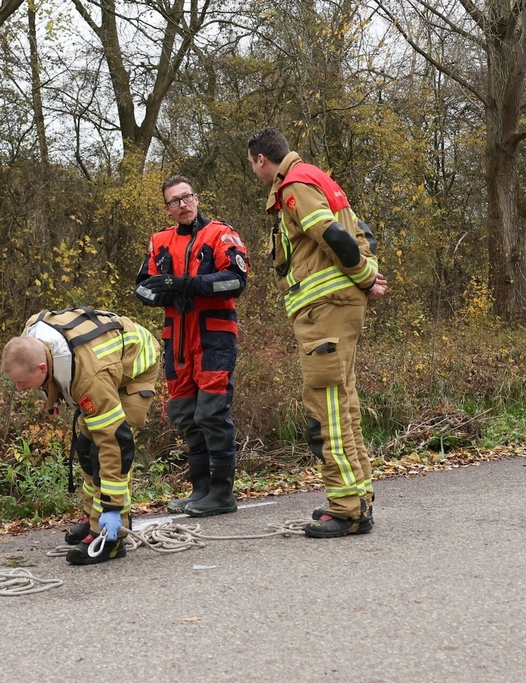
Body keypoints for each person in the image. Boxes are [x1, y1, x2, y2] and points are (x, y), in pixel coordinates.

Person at [246, 128, 388, 539]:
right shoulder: (316, 176)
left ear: (260, 160)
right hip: (336, 308)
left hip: (323, 311)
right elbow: (360, 231)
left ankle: (345, 508)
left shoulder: (293, 186)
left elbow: (332, 234)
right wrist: (367, 275)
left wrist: (364, 274)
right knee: (344, 404)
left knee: (325, 408)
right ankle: (357, 497)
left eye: (252, 165)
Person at [1, 307, 160, 564]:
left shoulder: (88, 378)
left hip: (135, 366)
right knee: (86, 447)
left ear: (42, 367)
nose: (20, 390)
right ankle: (92, 516)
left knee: (105, 451)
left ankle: (112, 534)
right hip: (102, 364)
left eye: (22, 383)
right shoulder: (30, 340)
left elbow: (115, 443)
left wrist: (112, 509)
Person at [135, 176, 249, 517]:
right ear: (167, 208)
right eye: (175, 201)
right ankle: (200, 490)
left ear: (196, 198)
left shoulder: (220, 233)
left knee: (211, 413)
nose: (182, 204)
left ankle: (221, 492)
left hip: (214, 335)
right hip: (177, 337)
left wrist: (189, 284)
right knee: (185, 414)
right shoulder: (159, 242)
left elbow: (236, 280)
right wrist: (170, 293)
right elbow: (142, 288)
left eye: (187, 197)